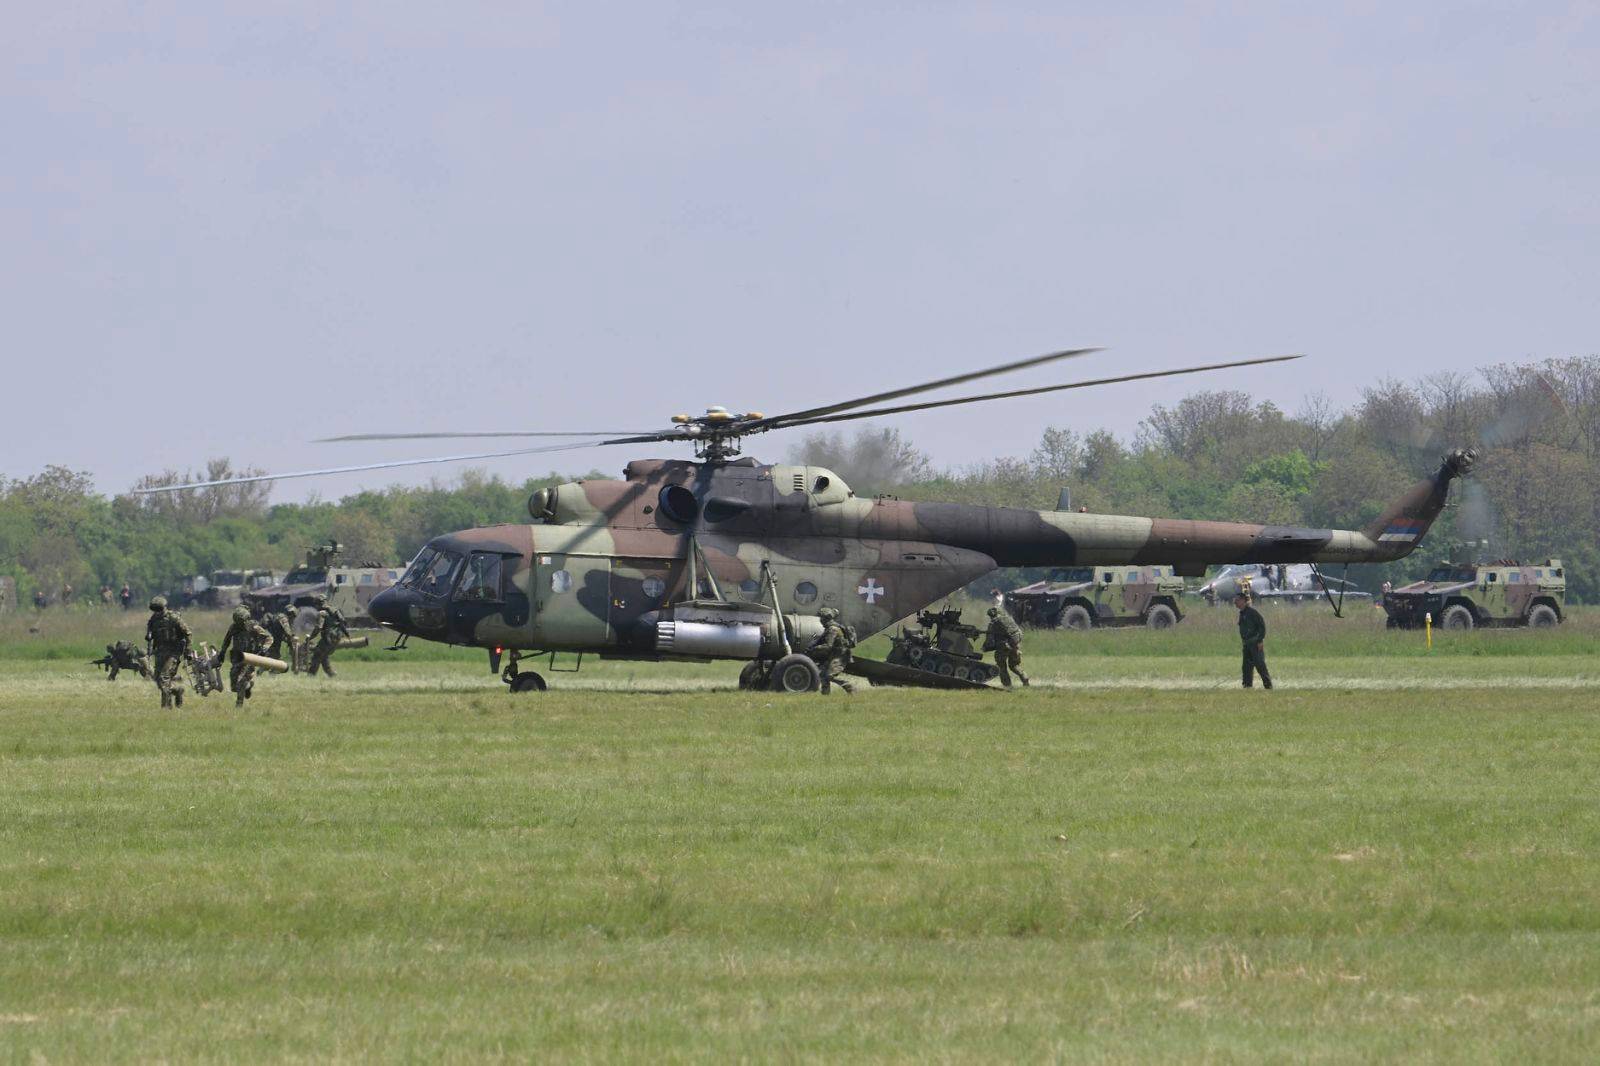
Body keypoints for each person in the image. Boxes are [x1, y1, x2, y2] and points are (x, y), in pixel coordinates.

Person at [218, 606, 271, 708]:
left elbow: (269, 638)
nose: (239, 624)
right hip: (237, 657)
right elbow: (227, 640)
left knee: (241, 680)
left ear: (246, 619)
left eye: (240, 622)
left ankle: (239, 704)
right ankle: (248, 686)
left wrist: (264, 648)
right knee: (234, 686)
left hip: (250, 657)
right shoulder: (233, 627)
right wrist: (222, 653)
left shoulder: (253, 627)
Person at [145, 596, 192, 708]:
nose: (157, 612)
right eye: (155, 610)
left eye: (159, 609)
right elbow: (150, 633)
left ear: (164, 608)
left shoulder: (173, 618)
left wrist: (188, 651)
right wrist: (149, 639)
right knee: (158, 678)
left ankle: (166, 707)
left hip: (173, 652)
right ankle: (177, 690)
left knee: (164, 677)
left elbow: (188, 633)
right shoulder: (153, 619)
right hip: (160, 651)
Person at [806, 606, 854, 695]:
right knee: (822, 674)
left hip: (840, 656)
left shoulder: (833, 629)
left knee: (829, 675)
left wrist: (814, 649)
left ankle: (849, 687)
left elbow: (828, 646)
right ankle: (825, 694)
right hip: (835, 655)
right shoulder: (830, 628)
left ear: (825, 618)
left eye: (821, 618)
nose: (820, 620)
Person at [983, 605, 1029, 688]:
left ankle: (1007, 686)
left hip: (1003, 647)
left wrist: (985, 647)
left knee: (1001, 667)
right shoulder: (1008, 618)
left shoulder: (993, 623)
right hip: (1015, 645)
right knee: (1014, 666)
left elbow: (989, 639)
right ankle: (1025, 680)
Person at [303, 594, 348, 677]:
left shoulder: (322, 613)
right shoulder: (334, 610)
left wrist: (310, 637)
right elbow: (343, 622)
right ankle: (331, 673)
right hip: (337, 636)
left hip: (328, 637)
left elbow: (318, 628)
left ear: (318, 604)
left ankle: (311, 674)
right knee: (323, 655)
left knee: (317, 654)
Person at [1235, 592, 1272, 690]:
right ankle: (1247, 685)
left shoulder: (1252, 613)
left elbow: (1262, 626)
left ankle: (1268, 685)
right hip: (1246, 644)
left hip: (1255, 644)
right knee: (1246, 666)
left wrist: (1260, 640)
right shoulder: (1242, 614)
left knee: (1260, 664)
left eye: (1237, 600)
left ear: (1243, 601)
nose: (1235, 602)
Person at [262, 603, 300, 673]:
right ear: (292, 613)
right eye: (294, 616)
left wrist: (288, 640)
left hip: (273, 640)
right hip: (273, 641)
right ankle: (263, 671)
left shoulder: (280, 616)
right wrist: (292, 638)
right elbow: (288, 632)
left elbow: (282, 633)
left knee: (273, 658)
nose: (293, 618)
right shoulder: (283, 618)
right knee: (275, 659)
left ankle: (266, 672)